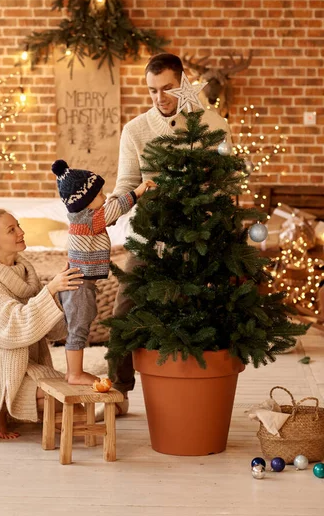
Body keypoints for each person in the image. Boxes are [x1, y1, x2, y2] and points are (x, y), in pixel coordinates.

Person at [107, 52, 232, 414]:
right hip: (150, 238)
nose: (159, 98)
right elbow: (125, 185)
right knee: (124, 306)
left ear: (184, 84)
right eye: (151, 91)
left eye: (167, 88)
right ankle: (118, 390)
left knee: (200, 311)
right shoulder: (136, 130)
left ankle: (195, 397)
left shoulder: (213, 125)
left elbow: (223, 184)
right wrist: (106, 214)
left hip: (199, 238)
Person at [0, 208, 85, 441]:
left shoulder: (26, 272)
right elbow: (13, 328)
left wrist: (64, 297)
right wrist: (50, 291)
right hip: (4, 370)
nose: (21, 232)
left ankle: (40, 411)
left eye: (18, 225)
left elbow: (50, 330)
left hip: (30, 364)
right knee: (65, 402)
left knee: (77, 405)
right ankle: (0, 408)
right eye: (11, 230)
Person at [51, 159, 156, 385]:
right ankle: (75, 374)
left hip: (80, 282)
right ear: (86, 201)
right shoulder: (91, 219)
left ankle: (73, 372)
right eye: (99, 195)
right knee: (78, 328)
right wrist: (140, 189)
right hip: (80, 285)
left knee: (80, 325)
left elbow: (108, 213)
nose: (104, 197)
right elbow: (117, 208)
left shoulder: (81, 217)